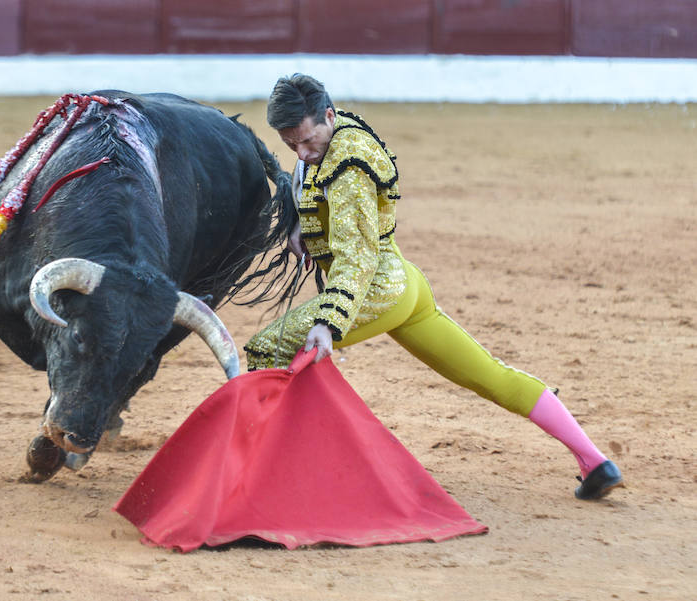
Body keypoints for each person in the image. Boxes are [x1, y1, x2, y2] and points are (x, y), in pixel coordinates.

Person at [245, 74, 623, 500]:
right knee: (489, 374)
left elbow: (357, 258)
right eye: (291, 144)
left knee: (268, 347)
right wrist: (303, 224)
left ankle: (278, 477)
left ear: (329, 116)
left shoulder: (347, 167)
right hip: (404, 286)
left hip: (376, 289)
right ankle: (596, 462)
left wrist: (329, 322)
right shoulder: (338, 136)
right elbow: (319, 194)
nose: (301, 153)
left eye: (306, 141)